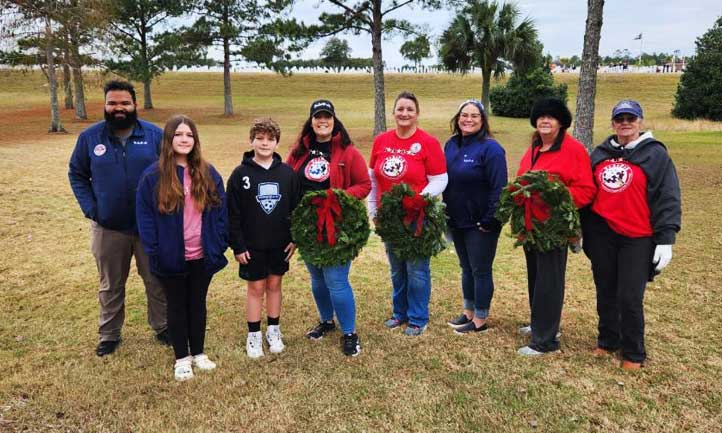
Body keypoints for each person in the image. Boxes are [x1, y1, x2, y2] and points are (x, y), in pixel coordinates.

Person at [68, 80, 168, 357]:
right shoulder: (90, 138)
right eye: (112, 103)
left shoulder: (154, 135)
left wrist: (163, 208)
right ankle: (109, 334)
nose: (119, 108)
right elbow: (77, 174)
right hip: (109, 227)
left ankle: (163, 327)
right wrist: (92, 209)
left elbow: (170, 173)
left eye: (124, 103)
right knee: (110, 284)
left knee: (156, 279)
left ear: (134, 104)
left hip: (149, 227)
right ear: (105, 105)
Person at [582, 100, 681, 370]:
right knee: (605, 289)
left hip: (637, 236)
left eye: (631, 118)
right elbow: (586, 192)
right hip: (602, 234)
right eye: (620, 119)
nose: (625, 123)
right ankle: (608, 340)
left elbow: (667, 196)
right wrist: (579, 228)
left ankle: (633, 351)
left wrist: (666, 237)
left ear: (640, 121)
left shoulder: (655, 154)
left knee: (629, 295)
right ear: (613, 123)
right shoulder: (600, 153)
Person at [136, 115, 227, 381]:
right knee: (176, 306)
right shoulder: (153, 176)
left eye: (189, 134)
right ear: (169, 140)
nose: (184, 139)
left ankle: (198, 353)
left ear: (195, 140)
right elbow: (145, 218)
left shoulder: (208, 174)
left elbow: (221, 212)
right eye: (178, 134)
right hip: (170, 256)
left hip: (202, 254)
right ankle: (181, 358)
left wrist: (218, 243)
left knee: (197, 304)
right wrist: (156, 250)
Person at [286, 100, 371, 356]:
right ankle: (326, 321)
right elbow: (287, 178)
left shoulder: (347, 151)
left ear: (334, 121)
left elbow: (364, 184)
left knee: (336, 279)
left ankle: (349, 332)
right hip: (308, 227)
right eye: (317, 117)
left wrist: (339, 197)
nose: (322, 121)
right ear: (311, 121)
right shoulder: (300, 150)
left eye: (327, 117)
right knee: (317, 278)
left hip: (336, 224)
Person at [515, 97, 596, 356]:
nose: (545, 121)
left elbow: (586, 190)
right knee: (536, 277)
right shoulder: (535, 148)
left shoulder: (573, 150)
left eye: (551, 117)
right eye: (540, 117)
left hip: (554, 227)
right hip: (532, 226)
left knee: (550, 280)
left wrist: (554, 197)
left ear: (561, 122)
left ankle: (546, 341)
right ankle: (542, 323)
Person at [368, 91, 448, 336]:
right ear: (393, 112)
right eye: (400, 109)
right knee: (397, 268)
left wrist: (418, 201)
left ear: (417, 114)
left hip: (416, 218)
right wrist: (373, 208)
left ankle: (417, 317)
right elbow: (373, 178)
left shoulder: (428, 143)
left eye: (409, 110)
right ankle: (399, 313)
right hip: (389, 218)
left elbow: (440, 179)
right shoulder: (381, 141)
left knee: (417, 269)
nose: (404, 113)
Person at [227, 118, 300, 359]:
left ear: (277, 142)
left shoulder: (287, 173)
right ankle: (253, 335)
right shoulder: (241, 174)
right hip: (252, 246)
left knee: (275, 285)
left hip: (279, 244)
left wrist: (294, 238)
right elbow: (233, 214)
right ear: (251, 141)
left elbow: (295, 209)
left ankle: (274, 330)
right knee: (256, 288)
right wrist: (238, 245)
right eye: (260, 138)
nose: (265, 143)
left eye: (270, 139)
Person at [442, 99, 507, 334]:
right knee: (466, 267)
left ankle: (480, 318)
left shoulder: (491, 149)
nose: (468, 119)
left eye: (474, 116)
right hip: (456, 219)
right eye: (464, 115)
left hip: (481, 223)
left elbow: (499, 187)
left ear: (483, 120)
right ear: (457, 118)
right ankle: (468, 312)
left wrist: (491, 218)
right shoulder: (450, 145)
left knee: (480, 269)